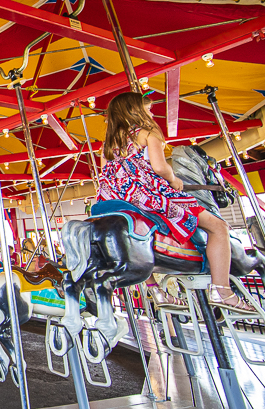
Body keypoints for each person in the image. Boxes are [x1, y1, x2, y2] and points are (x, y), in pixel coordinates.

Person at [97, 91, 252, 312]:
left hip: (119, 199)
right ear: (136, 110)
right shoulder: (147, 132)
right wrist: (173, 178)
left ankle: (155, 289)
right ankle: (222, 290)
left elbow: (107, 173)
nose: (151, 112)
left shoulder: (107, 144)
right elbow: (159, 167)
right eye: (148, 109)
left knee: (134, 241)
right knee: (219, 227)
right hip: (149, 195)